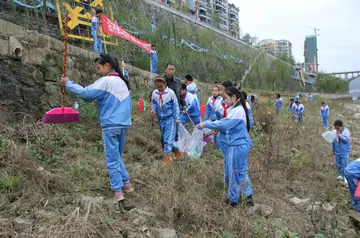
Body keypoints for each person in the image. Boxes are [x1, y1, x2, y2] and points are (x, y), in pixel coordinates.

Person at [61, 53, 132, 202]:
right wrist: (100, 101)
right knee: (117, 156)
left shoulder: (105, 81)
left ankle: (118, 192)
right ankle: (127, 184)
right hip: (124, 124)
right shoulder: (123, 81)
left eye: (99, 67)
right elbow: (115, 101)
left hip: (110, 125)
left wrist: (68, 83)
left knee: (112, 159)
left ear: (107, 66)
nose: (98, 70)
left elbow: (85, 93)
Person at [197, 86, 254, 208]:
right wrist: (218, 130)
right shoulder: (237, 109)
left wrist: (206, 124)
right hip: (241, 145)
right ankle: (248, 196)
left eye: (227, 98)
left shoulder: (237, 111)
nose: (225, 101)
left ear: (234, 97)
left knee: (232, 173)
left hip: (236, 146)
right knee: (241, 172)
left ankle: (233, 201)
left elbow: (224, 124)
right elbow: (229, 126)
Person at [151, 76, 181, 167]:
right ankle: (177, 152)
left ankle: (168, 159)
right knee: (165, 138)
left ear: (165, 84)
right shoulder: (155, 93)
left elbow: (175, 106)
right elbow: (154, 103)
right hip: (162, 119)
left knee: (168, 139)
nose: (159, 89)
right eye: (158, 87)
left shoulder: (170, 93)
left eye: (161, 87)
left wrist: (177, 119)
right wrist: (153, 109)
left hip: (170, 119)